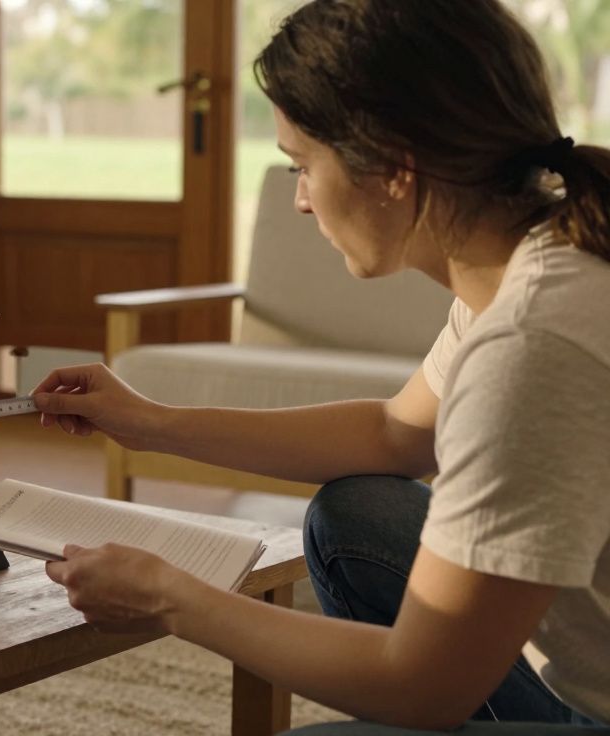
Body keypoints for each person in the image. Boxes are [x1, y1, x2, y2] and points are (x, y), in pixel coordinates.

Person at [30, 1, 610, 733]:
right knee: (356, 516)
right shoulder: (539, 258)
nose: (300, 200)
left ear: (395, 166)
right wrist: (150, 422)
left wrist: (167, 597)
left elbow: (423, 687)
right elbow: (395, 432)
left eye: (303, 165)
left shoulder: (534, 346)